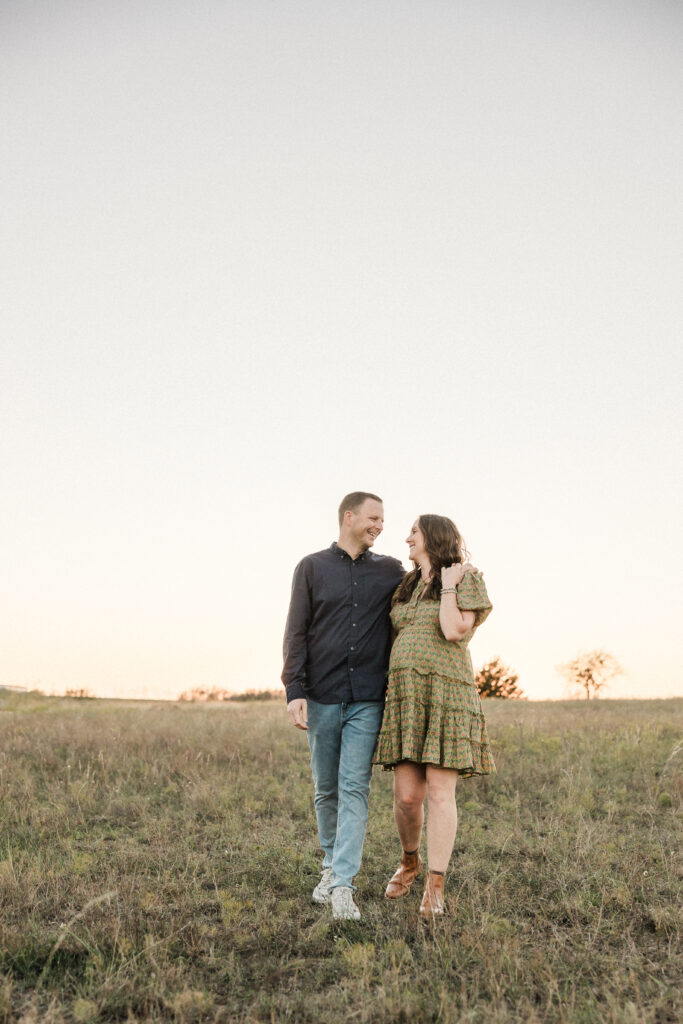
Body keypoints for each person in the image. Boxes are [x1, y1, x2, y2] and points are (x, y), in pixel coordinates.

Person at [282, 491, 405, 920]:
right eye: (373, 518)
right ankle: (331, 863)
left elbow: (423, 593)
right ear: (348, 517)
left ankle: (342, 886)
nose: (380, 525)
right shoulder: (312, 568)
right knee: (326, 789)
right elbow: (296, 631)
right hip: (320, 695)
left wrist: (458, 575)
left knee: (354, 788)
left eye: (383, 520)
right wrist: (294, 689)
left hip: (368, 698)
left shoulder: (391, 570)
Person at [373, 514, 495, 918]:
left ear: (434, 537)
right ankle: (410, 861)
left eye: (414, 532)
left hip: (446, 694)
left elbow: (452, 630)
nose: (407, 538)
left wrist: (446, 586)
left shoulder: (465, 579)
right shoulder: (405, 587)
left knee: (441, 794)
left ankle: (435, 886)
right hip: (407, 697)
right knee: (407, 797)